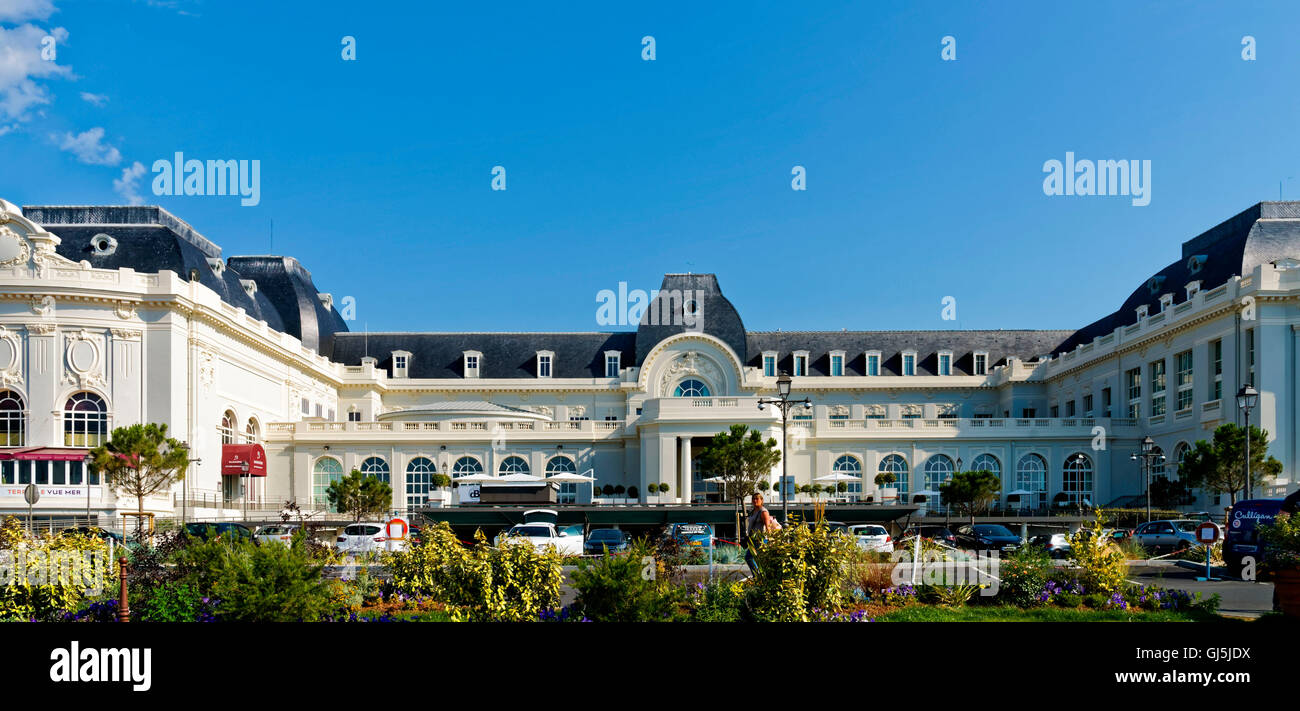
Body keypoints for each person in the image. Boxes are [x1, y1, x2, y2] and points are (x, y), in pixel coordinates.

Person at [744, 492, 780, 576]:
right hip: (753, 539)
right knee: (752, 558)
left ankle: (758, 576)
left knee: (750, 557)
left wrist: (770, 540)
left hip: (760, 539)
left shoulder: (763, 512)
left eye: (757, 499)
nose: (755, 500)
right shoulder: (753, 511)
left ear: (761, 500)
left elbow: (768, 527)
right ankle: (758, 576)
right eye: (753, 499)